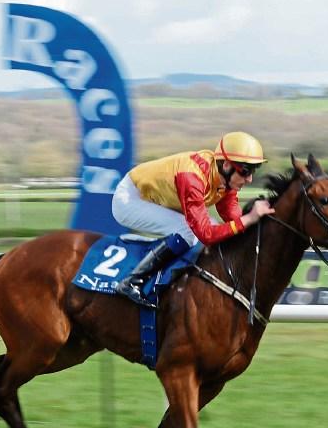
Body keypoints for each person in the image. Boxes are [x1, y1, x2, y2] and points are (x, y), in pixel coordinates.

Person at [111, 131, 275, 308]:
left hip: (157, 200)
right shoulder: (192, 178)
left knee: (216, 227)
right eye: (245, 171)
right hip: (130, 199)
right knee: (188, 232)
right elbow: (206, 235)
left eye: (252, 172)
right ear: (226, 165)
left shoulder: (225, 179)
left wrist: (256, 222)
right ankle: (133, 281)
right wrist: (249, 218)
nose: (249, 179)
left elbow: (233, 219)